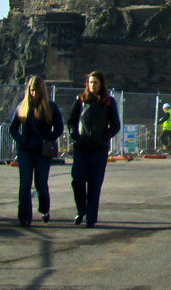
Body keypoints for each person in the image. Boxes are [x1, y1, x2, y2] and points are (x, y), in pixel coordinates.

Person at [67, 71, 121, 227]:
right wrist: (75, 136)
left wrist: (104, 137)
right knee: (77, 180)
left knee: (94, 183)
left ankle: (91, 217)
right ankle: (81, 209)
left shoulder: (109, 102)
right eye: (90, 82)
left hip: (99, 148)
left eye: (95, 83)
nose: (92, 85)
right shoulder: (80, 99)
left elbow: (115, 125)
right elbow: (71, 121)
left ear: (101, 84)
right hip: (82, 146)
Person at [9, 76, 64, 226]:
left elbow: (59, 127)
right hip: (25, 151)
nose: (33, 93)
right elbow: (12, 128)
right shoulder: (22, 106)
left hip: (43, 152)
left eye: (36, 90)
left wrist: (49, 139)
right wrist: (21, 140)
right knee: (25, 184)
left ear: (42, 91)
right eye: (31, 90)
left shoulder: (50, 107)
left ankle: (44, 209)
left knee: (41, 183)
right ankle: (24, 217)